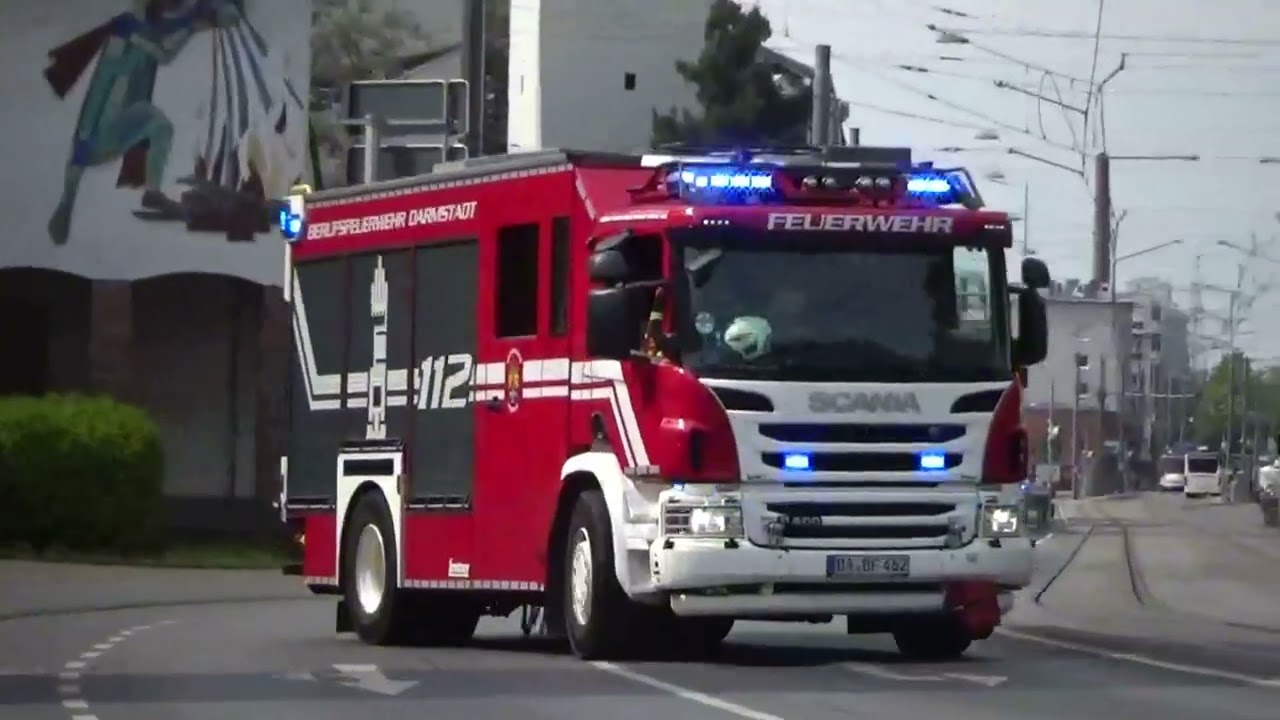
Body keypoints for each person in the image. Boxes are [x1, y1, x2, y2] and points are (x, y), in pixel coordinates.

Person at [44, 0, 242, 244]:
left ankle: (152, 192)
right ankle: (73, 203)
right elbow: (109, 79)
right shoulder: (127, 30)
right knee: (151, 122)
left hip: (122, 119)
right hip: (104, 123)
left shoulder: (150, 27)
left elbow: (167, 49)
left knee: (161, 127)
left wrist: (194, 25)